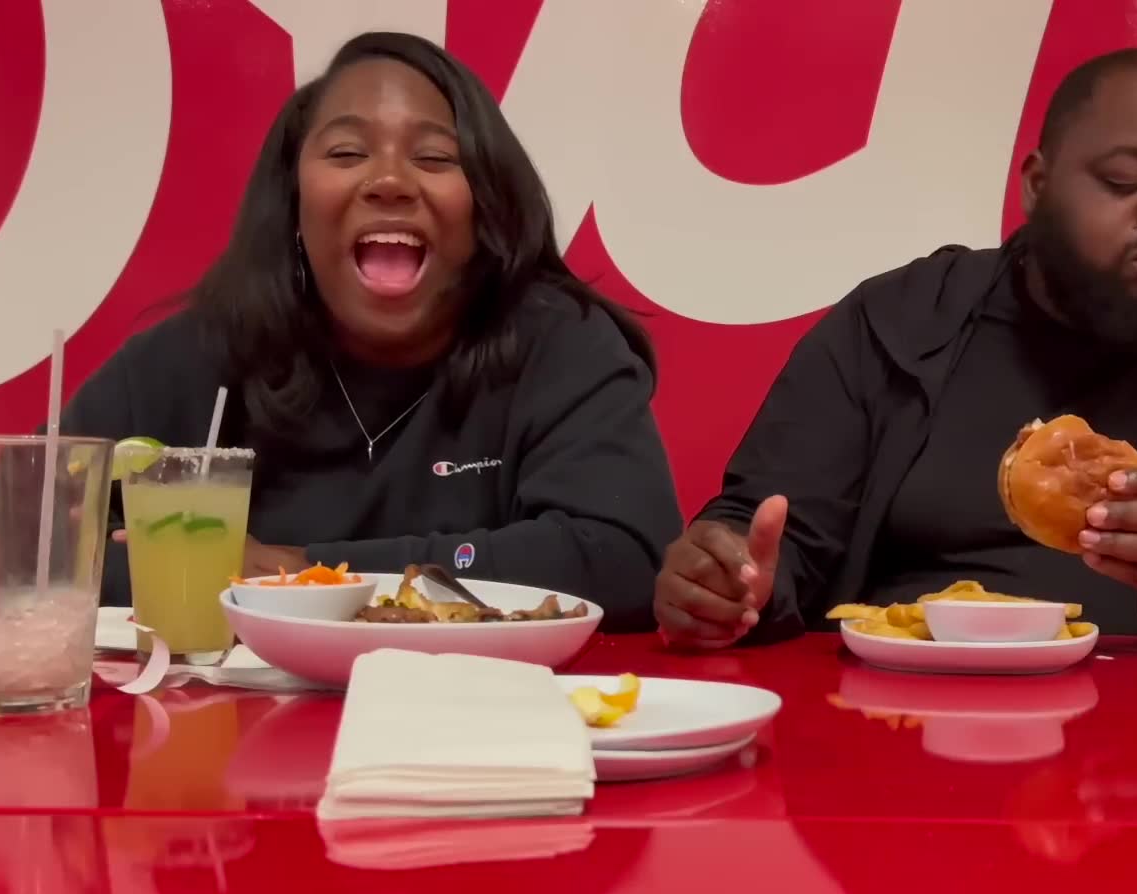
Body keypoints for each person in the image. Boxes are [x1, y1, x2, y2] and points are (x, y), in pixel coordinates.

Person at [655, 47, 1137, 648]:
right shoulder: (896, 326)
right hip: (916, 737)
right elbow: (770, 541)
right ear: (1038, 184)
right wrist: (730, 583)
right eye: (1125, 179)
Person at [54, 32, 680, 629]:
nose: (388, 182)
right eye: (347, 153)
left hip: (484, 725)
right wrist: (188, 569)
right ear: (295, 202)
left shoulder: (559, 343)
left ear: (485, 207)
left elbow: (622, 558)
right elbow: (23, 551)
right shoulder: (199, 356)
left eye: (434, 157)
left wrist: (310, 578)